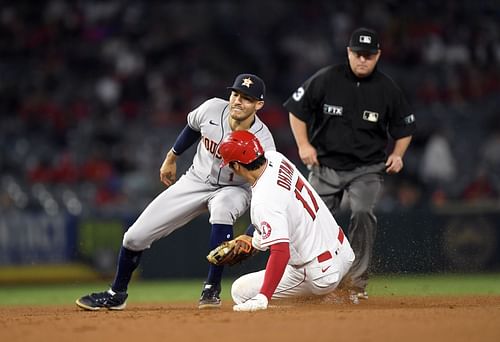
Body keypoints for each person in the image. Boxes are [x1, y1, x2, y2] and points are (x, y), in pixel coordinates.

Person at [76, 74, 275, 311]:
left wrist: (251, 232)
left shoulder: (264, 141)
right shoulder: (211, 109)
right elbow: (192, 127)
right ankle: (116, 294)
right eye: (236, 94)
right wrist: (171, 157)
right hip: (196, 180)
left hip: (235, 189)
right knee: (133, 237)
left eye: (247, 98)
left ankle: (211, 288)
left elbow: (267, 188)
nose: (238, 101)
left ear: (258, 105)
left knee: (222, 208)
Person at [283, 27, 416, 302]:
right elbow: (297, 110)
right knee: (309, 220)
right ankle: (311, 278)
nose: (363, 60)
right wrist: (303, 145)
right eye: (358, 54)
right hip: (326, 166)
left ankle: (356, 283)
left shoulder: (387, 89)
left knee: (363, 211)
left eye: (369, 55)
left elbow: (404, 128)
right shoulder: (327, 79)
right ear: (348, 53)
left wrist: (398, 153)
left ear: (378, 55)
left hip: (367, 168)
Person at [217, 130, 355, 312]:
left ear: (236, 166)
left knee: (240, 292)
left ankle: (327, 302)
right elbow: (282, 210)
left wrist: (263, 296)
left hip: (319, 274)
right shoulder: (276, 158)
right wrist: (252, 239)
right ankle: (343, 293)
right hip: (344, 252)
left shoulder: (262, 202)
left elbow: (281, 252)